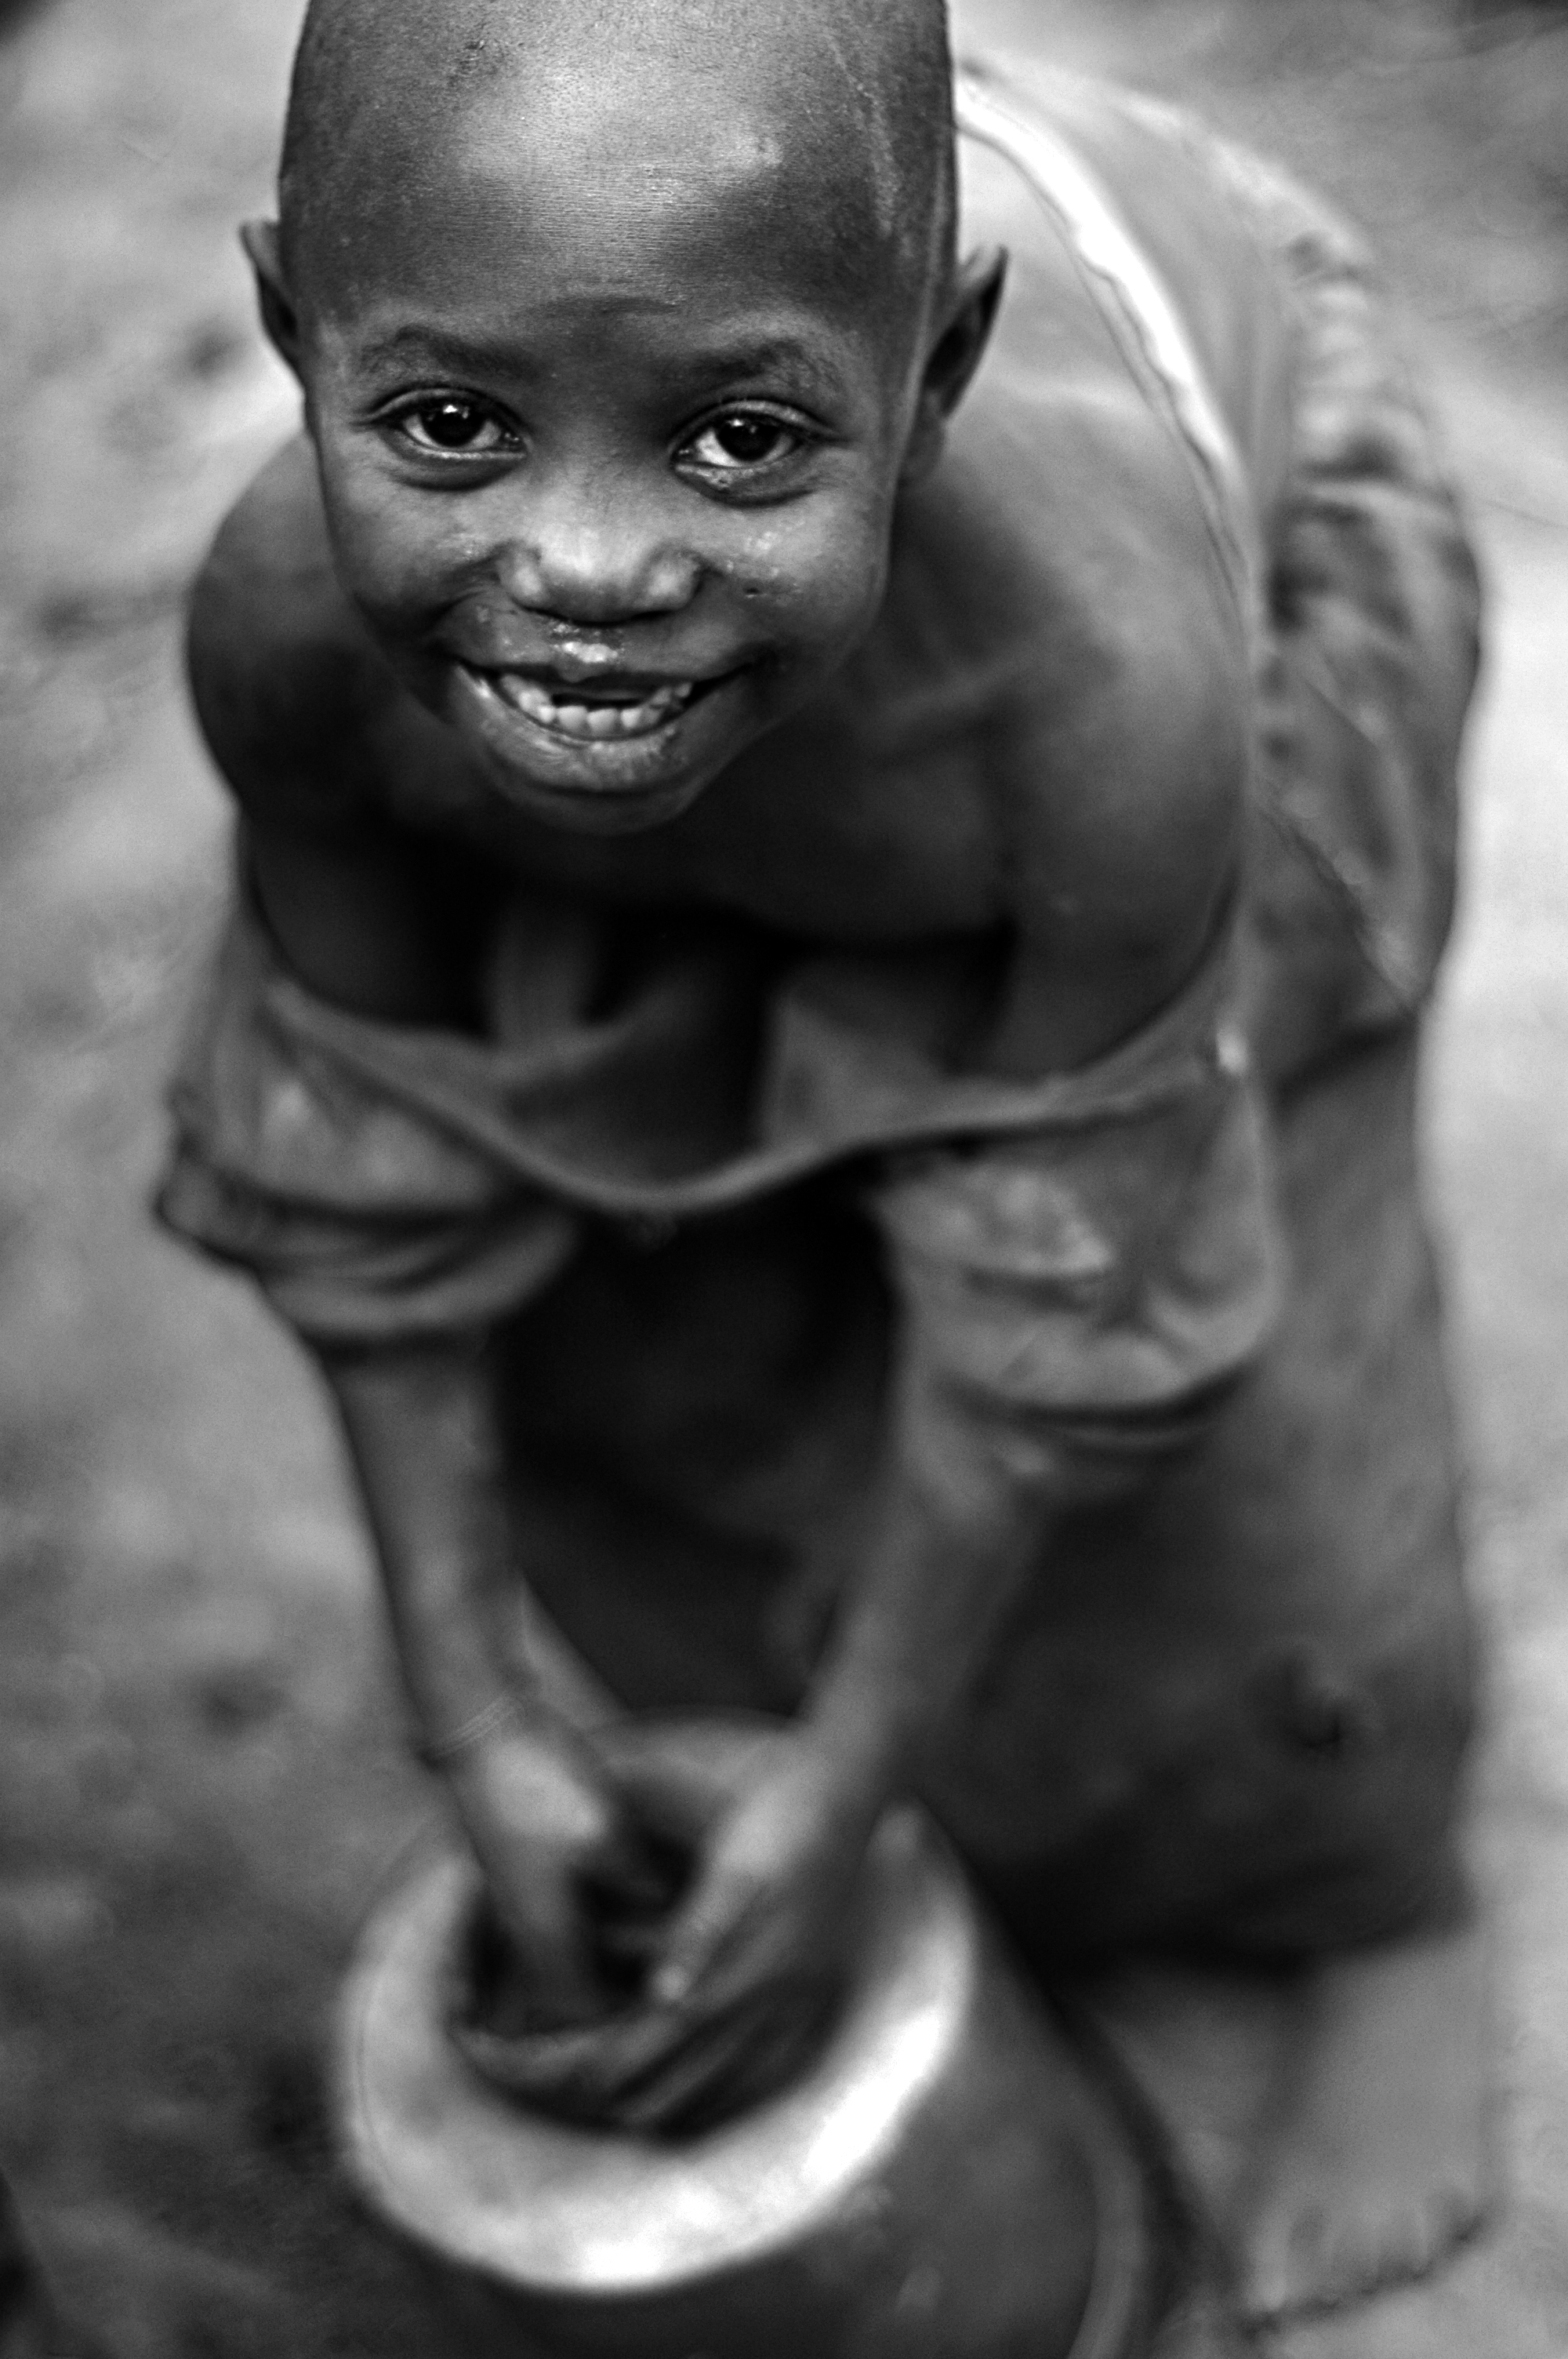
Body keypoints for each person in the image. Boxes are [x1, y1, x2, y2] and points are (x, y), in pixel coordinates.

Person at [159, 0, 1488, 2323]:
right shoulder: (293, 641)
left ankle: (1364, 1899)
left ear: (939, 371)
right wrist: (467, 1697)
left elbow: (1081, 1305)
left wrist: (862, 1760)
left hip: (1203, 520)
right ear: (294, 332)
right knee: (642, 1306)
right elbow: (368, 1163)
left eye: (742, 444)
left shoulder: (1102, 702)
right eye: (451, 426)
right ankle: (796, 1758)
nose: (582, 565)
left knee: (1241, 1393)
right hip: (793, 515)